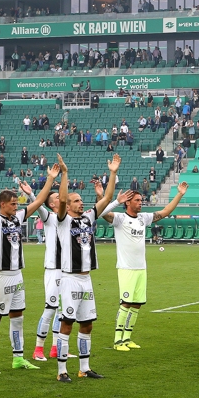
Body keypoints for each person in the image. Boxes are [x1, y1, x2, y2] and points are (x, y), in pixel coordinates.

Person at [0, 159, 56, 375]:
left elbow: (39, 200)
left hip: (17, 276)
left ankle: (18, 358)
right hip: (0, 276)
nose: (17, 206)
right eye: (13, 204)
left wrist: (50, 178)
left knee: (18, 317)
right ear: (2, 204)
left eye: (17, 203)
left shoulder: (18, 218)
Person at [98, 177, 188, 352]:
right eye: (137, 200)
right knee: (125, 303)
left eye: (141, 200)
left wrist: (179, 194)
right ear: (127, 203)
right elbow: (101, 213)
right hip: (126, 268)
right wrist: (103, 197)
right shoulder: (119, 219)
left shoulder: (144, 219)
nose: (141, 203)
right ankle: (117, 340)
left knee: (137, 304)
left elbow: (166, 211)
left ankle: (127, 337)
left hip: (141, 268)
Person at [54, 153, 117, 382]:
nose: (81, 203)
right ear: (69, 206)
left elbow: (108, 196)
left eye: (81, 200)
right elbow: (61, 200)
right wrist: (65, 174)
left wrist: (112, 172)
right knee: (67, 323)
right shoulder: (63, 221)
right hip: (70, 278)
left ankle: (84, 367)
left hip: (86, 279)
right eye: (77, 200)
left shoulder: (89, 218)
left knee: (87, 324)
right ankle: (61, 371)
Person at [17, 164, 67, 362]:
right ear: (52, 204)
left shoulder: (68, 219)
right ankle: (38, 349)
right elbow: (39, 207)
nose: (60, 199)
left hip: (68, 270)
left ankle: (56, 348)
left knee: (63, 310)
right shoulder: (49, 217)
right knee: (50, 308)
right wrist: (31, 195)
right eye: (55, 198)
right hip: (53, 270)